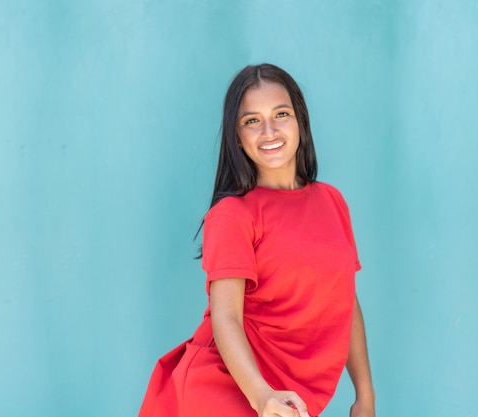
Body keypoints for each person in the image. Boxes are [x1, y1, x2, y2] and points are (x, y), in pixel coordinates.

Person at [138, 63, 375, 417]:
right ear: (237, 136)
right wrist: (262, 396)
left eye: (281, 114)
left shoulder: (333, 201)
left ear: (300, 121)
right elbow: (227, 318)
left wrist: (364, 394)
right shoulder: (233, 215)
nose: (269, 131)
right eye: (252, 120)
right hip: (228, 387)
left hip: (285, 395)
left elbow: (345, 299)